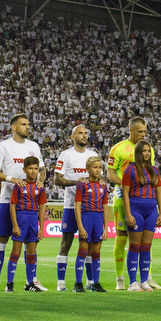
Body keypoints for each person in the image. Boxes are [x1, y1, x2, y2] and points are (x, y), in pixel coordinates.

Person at [0, 114, 42, 289]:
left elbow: (41, 170)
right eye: (23, 124)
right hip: (8, 199)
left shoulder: (33, 146)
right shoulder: (4, 146)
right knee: (2, 237)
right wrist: (12, 179)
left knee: (30, 242)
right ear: (13, 127)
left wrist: (41, 179)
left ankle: (31, 281)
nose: (27, 127)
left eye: (28, 124)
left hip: (30, 204)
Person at [51, 123, 99, 292]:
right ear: (72, 137)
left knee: (88, 246)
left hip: (90, 208)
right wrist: (76, 182)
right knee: (66, 243)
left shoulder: (93, 155)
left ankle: (89, 282)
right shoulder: (66, 155)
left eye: (86, 133)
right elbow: (57, 179)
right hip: (71, 206)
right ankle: (61, 283)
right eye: (80, 133)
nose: (84, 136)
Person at [107, 117, 149, 290]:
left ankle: (147, 277)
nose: (143, 135)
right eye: (140, 132)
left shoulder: (148, 149)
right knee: (122, 237)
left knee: (145, 237)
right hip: (122, 195)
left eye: (145, 131)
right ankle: (120, 278)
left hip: (141, 197)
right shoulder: (118, 148)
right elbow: (110, 174)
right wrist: (128, 187)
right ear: (131, 130)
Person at [121, 141, 161, 291]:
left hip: (151, 211)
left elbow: (159, 192)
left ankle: (144, 281)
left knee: (146, 247)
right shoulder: (129, 170)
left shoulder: (154, 171)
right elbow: (125, 192)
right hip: (135, 209)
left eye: (148, 151)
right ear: (138, 152)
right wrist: (128, 214)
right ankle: (133, 282)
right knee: (134, 246)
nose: (146, 153)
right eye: (144, 151)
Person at [7, 155, 49, 291]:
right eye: (30, 168)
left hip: (33, 220)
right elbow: (12, 206)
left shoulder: (40, 188)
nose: (33, 171)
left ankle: (30, 284)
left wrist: (41, 229)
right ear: (24, 169)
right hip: (21, 218)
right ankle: (9, 284)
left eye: (36, 169)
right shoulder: (19, 186)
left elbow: (42, 208)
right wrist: (15, 225)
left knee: (31, 253)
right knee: (16, 252)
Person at [73, 156, 111, 293]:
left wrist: (106, 228)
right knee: (83, 250)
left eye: (100, 167)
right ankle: (78, 283)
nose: (98, 170)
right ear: (87, 169)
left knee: (96, 252)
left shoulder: (103, 186)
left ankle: (95, 283)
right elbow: (77, 206)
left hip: (98, 219)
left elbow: (105, 206)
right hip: (86, 217)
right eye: (95, 167)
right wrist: (80, 226)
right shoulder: (82, 185)